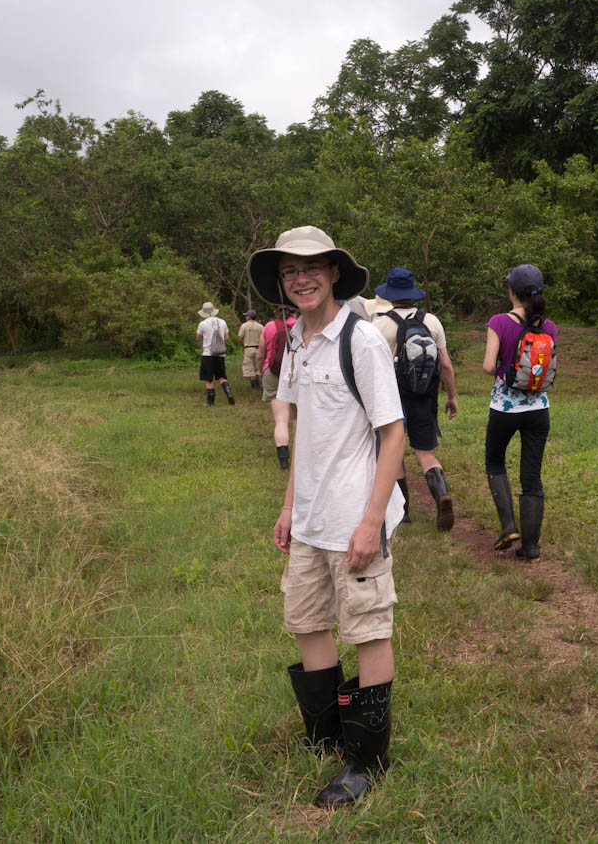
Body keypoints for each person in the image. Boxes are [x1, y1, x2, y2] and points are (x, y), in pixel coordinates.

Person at [247, 225, 405, 809]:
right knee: (307, 620)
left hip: (353, 514)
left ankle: (367, 759)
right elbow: (305, 433)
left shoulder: (360, 340)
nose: (301, 279)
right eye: (289, 271)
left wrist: (370, 521)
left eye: (311, 267)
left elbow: (394, 434)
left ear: (334, 272)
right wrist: (289, 505)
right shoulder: (295, 339)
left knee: (367, 628)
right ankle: (327, 737)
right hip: (310, 517)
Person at [370, 267, 459, 531]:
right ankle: (441, 495)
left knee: (393, 450)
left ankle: (404, 512)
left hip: (392, 397)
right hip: (424, 396)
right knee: (426, 453)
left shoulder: (378, 325)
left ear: (389, 295)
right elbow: (446, 364)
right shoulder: (432, 321)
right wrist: (451, 396)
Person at [481, 264, 557, 562]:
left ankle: (509, 527)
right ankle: (531, 547)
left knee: (495, 461)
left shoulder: (499, 322)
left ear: (511, 291)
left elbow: (488, 366)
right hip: (539, 409)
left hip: (504, 408)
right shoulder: (549, 326)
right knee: (531, 475)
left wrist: (506, 369)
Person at [257, 310, 297, 469]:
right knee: (297, 419)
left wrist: (261, 370)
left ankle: (283, 460)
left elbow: (260, 355)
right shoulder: (301, 325)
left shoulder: (268, 326)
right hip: (295, 374)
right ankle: (299, 456)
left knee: (281, 420)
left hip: (273, 372)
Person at [196, 301, 234, 406]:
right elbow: (227, 337)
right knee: (222, 377)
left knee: (208, 379)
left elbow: (198, 337)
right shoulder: (222, 322)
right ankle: (229, 394)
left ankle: (210, 402)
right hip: (220, 354)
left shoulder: (202, 324)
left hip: (208, 354)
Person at [238, 309, 264, 390]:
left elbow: (240, 339)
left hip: (248, 349)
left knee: (250, 369)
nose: (245, 317)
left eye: (247, 315)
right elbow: (264, 339)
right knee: (258, 368)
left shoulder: (244, 325)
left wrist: (243, 347)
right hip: (258, 349)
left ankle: (254, 387)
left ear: (250, 317)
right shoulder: (261, 326)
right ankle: (260, 385)